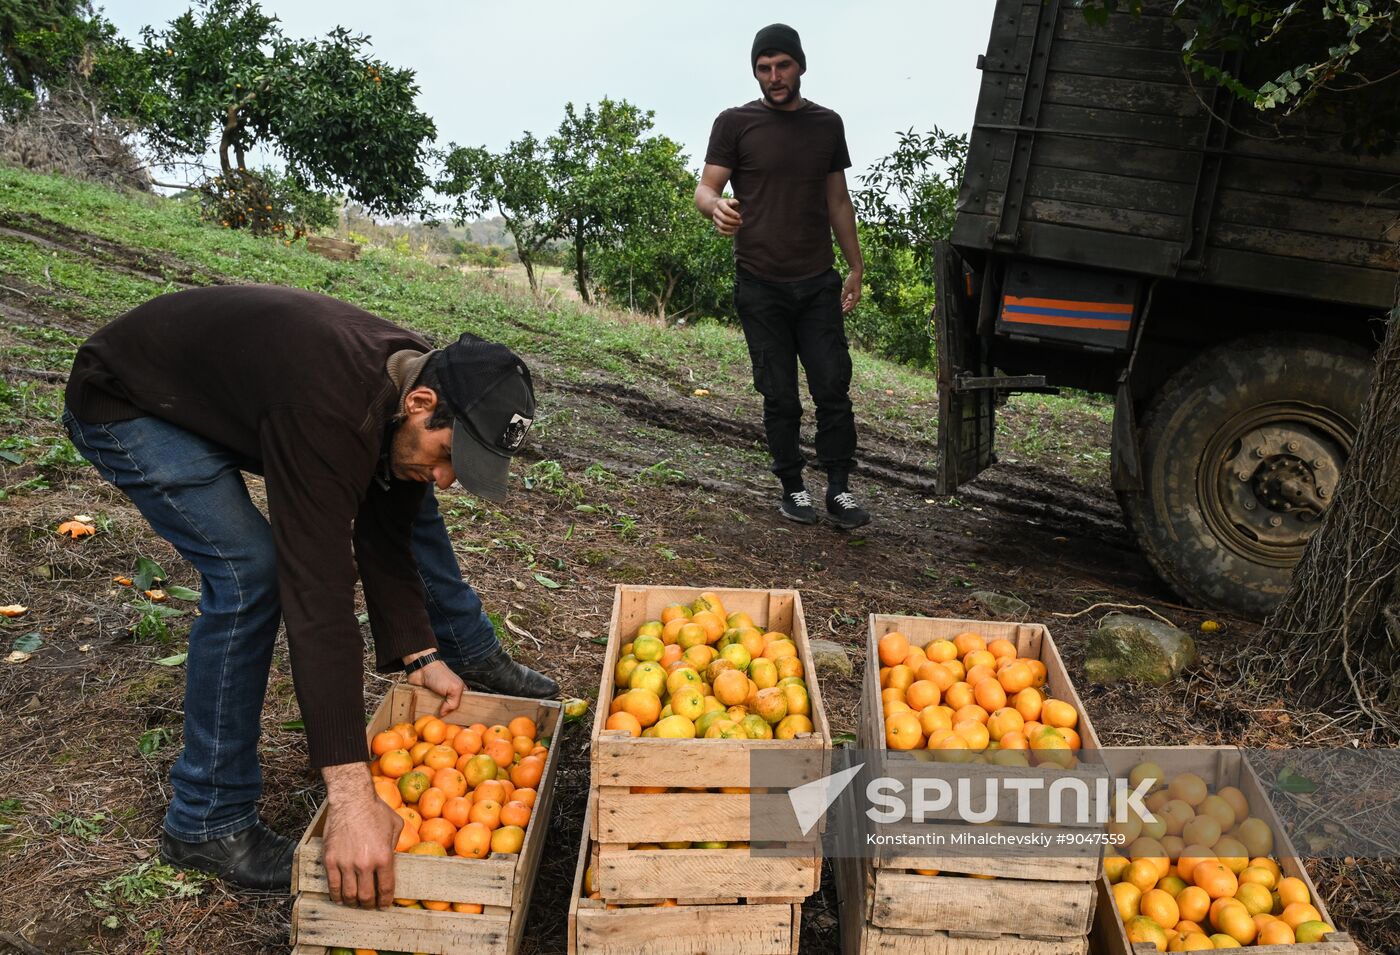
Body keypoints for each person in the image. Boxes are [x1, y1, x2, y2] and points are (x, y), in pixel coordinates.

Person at [63, 284, 558, 907]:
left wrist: (419, 654)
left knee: (405, 497)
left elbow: (387, 535)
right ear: (422, 403)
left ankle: (214, 813)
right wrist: (351, 798)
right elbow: (318, 598)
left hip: (229, 394)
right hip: (131, 402)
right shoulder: (331, 411)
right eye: (450, 455)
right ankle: (206, 822)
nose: (447, 477)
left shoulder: (407, 392)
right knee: (253, 575)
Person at [695, 23, 870, 530]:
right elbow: (706, 188)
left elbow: (838, 200)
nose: (773, 76)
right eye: (764, 68)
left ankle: (838, 489)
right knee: (779, 395)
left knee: (833, 388)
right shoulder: (735, 123)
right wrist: (716, 208)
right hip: (760, 283)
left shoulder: (826, 125)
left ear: (800, 65)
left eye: (782, 66)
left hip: (817, 282)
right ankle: (793, 487)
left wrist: (855, 267)